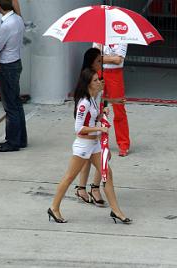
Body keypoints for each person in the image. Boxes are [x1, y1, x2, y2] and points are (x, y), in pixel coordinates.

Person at [48, 68, 132, 224]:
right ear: (88, 84)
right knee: (69, 178)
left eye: (98, 79)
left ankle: (116, 210)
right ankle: (54, 208)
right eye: (95, 80)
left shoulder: (94, 98)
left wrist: (102, 114)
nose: (99, 82)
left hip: (94, 145)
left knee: (107, 173)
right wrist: (99, 128)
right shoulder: (84, 103)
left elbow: (92, 119)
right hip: (83, 146)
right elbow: (78, 129)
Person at [0, 0, 26, 152]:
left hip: (7, 65)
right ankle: (20, 139)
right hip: (15, 61)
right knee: (16, 103)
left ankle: (12, 141)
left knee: (10, 105)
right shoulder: (18, 19)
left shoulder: (6, 25)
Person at [75, 48, 106, 206]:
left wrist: (109, 103)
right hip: (89, 124)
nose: (101, 63)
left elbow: (98, 100)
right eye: (98, 61)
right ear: (91, 62)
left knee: (89, 158)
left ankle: (83, 188)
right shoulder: (89, 77)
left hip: (95, 120)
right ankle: (93, 187)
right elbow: (87, 101)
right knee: (99, 158)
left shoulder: (97, 77)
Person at [93, 43, 130, 157]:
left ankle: (123, 144)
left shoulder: (122, 35)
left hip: (115, 74)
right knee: (97, 108)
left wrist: (101, 58)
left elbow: (118, 60)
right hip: (100, 72)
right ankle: (98, 142)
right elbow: (94, 58)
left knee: (119, 109)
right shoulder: (99, 34)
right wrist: (106, 58)